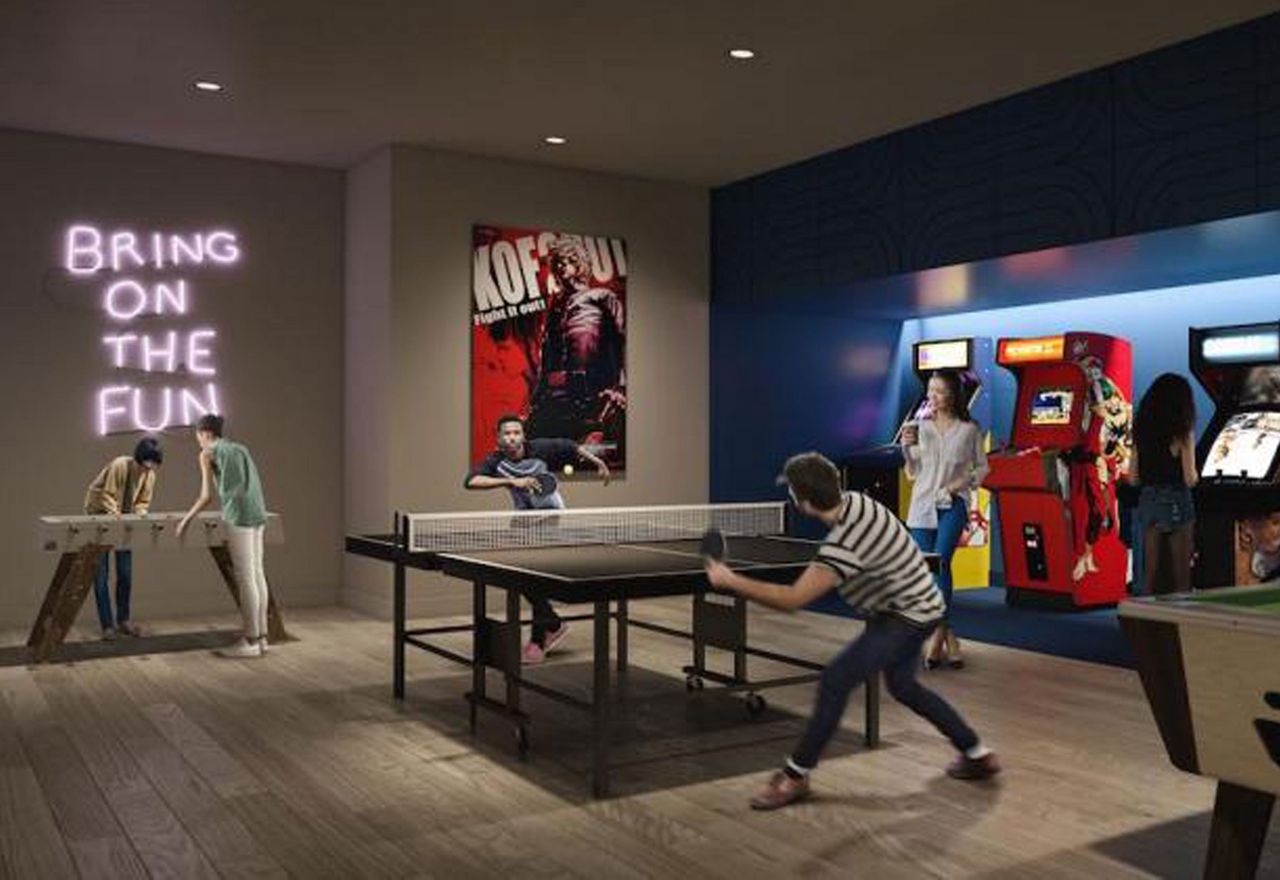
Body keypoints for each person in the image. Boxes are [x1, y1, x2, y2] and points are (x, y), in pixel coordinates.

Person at [705, 452, 999, 810]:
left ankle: (795, 776)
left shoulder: (844, 545)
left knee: (835, 681)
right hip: (922, 604)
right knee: (904, 687)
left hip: (903, 615)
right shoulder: (860, 502)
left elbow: (792, 599)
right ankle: (976, 752)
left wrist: (730, 580)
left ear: (804, 503)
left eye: (793, 492)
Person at [465, 414, 611, 663]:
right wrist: (511, 481)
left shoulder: (539, 448)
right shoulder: (495, 461)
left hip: (549, 516)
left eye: (517, 433)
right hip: (523, 518)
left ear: (523, 436)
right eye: (507, 433)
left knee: (532, 578)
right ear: (498, 438)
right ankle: (553, 625)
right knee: (520, 577)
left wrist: (598, 461)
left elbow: (570, 445)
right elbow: (471, 481)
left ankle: (538, 640)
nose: (512, 437)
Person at [900, 370, 988, 669]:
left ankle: (937, 637)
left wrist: (961, 483)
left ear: (952, 395)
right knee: (926, 571)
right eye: (930, 390)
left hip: (953, 504)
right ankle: (947, 634)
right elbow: (913, 471)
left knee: (941, 563)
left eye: (938, 391)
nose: (932, 397)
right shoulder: (920, 427)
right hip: (922, 504)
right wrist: (906, 447)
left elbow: (982, 469)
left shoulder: (969, 430)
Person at [177, 414, 272, 658]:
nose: (198, 440)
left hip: (238, 516)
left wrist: (185, 521)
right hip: (258, 513)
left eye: (198, 436)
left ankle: (250, 641)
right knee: (257, 574)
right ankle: (262, 638)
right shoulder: (241, 448)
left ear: (205, 433)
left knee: (245, 577)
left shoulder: (207, 454)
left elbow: (206, 496)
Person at [525, 236, 626, 452]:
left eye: (567, 261)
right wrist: (536, 399)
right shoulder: (555, 308)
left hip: (590, 399)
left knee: (589, 455)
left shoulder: (602, 297)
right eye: (558, 263)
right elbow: (547, 358)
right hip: (554, 401)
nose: (562, 266)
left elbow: (622, 343)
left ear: (579, 263)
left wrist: (620, 388)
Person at [84, 436, 164, 639]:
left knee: (125, 573)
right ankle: (107, 626)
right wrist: (117, 517)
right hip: (99, 514)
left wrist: (140, 515)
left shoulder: (150, 474)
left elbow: (143, 501)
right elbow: (107, 495)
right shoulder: (120, 464)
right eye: (148, 461)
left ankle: (123, 620)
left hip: (124, 520)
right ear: (139, 457)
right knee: (101, 575)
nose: (150, 467)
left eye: (154, 463)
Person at [1131, 373, 1198, 596]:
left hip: (1148, 499)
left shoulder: (1141, 430)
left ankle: (1145, 613)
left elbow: (1133, 478)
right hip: (1176, 499)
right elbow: (1190, 478)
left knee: (1149, 574)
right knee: (1182, 577)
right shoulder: (1182, 432)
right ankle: (1183, 614)